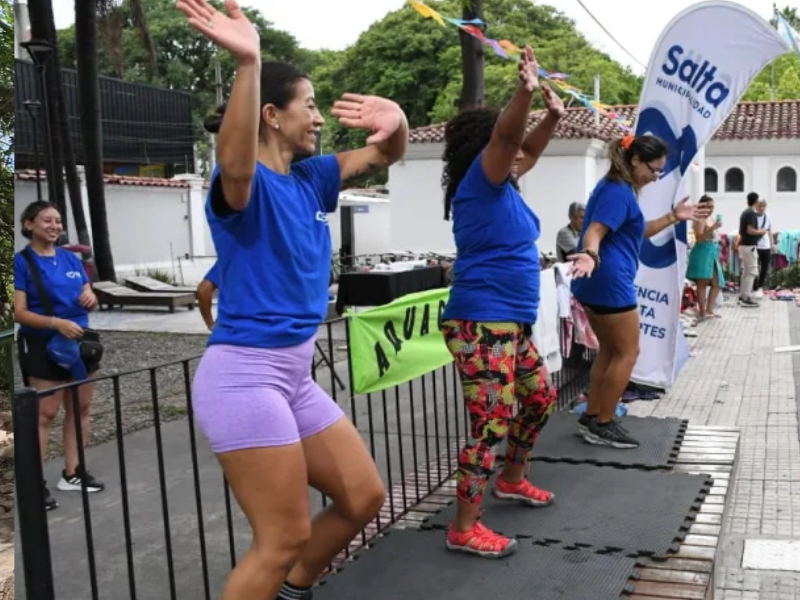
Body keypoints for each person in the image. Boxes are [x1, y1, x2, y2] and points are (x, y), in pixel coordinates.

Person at [176, 1, 407, 598]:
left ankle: (291, 590)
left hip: (293, 377)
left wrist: (398, 120)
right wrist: (248, 63)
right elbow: (233, 159)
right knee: (281, 537)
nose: (320, 118)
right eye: (309, 105)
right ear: (272, 116)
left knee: (363, 498)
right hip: (245, 378)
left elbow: (386, 153)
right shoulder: (240, 187)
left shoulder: (311, 178)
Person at [439, 46, 565, 559]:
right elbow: (510, 139)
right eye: (507, 148)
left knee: (538, 399)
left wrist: (552, 117)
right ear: (486, 150)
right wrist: (524, 91)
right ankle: (464, 526)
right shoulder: (481, 186)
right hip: (480, 323)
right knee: (490, 422)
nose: (519, 157)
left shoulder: (506, 184)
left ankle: (511, 478)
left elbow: (524, 149)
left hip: (509, 324)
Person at [569, 133, 708, 450]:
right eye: (654, 169)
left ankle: (592, 416)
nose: (656, 176)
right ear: (634, 160)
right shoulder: (618, 192)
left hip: (597, 282)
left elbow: (637, 230)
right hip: (610, 283)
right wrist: (591, 256)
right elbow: (594, 232)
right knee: (628, 353)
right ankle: (603, 423)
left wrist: (674, 216)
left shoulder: (616, 188)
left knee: (609, 351)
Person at [13, 201, 104, 511]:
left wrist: (91, 296)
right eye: (47, 220)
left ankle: (73, 471)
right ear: (28, 225)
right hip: (43, 344)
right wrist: (55, 323)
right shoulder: (21, 263)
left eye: (58, 221)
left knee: (81, 407)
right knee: (45, 414)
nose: (54, 225)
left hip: (80, 342)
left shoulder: (70, 259)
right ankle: (34, 483)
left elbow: (86, 295)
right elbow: (19, 312)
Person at [685, 195, 724, 321]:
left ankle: (709, 309)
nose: (709, 209)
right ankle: (702, 312)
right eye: (706, 206)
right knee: (702, 283)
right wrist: (713, 228)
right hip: (702, 252)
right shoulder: (700, 219)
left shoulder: (710, 218)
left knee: (717, 283)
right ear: (701, 206)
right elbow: (699, 238)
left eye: (711, 207)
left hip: (711, 253)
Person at [737, 192, 766, 307]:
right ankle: (746, 297)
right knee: (752, 271)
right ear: (756, 201)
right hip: (749, 246)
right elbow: (749, 230)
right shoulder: (751, 214)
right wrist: (761, 231)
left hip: (744, 245)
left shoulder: (745, 212)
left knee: (746, 271)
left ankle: (743, 295)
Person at [753, 198, 775, 295]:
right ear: (756, 207)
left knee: (765, 268)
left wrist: (772, 244)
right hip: (755, 245)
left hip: (766, 246)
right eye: (759, 206)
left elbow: (769, 230)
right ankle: (754, 286)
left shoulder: (767, 215)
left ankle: (759, 286)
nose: (761, 208)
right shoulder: (752, 216)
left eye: (763, 206)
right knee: (754, 267)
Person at [197, 263, 220, 331]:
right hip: (253, 330)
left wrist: (210, 324)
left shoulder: (229, 259)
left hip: (226, 328)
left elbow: (203, 289)